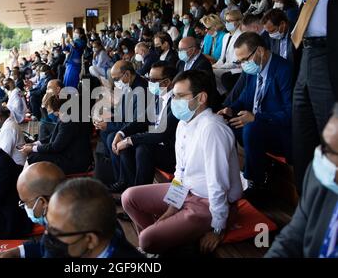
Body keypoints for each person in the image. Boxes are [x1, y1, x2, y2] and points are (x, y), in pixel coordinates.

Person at [122, 70, 242, 254]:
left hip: (209, 204)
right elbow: (180, 171)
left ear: (201, 97)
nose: (174, 101)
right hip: (187, 193)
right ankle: (160, 239)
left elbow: (218, 184)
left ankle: (156, 241)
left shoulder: (212, 129)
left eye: (180, 96)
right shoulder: (184, 124)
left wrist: (218, 228)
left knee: (146, 240)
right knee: (129, 198)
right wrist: (172, 207)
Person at [218, 32, 293, 200]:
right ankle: (227, 176)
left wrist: (257, 118)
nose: (243, 65)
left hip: (280, 131)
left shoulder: (284, 70)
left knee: (251, 128)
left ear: (260, 51)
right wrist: (229, 110)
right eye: (240, 61)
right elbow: (244, 99)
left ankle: (256, 183)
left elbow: (291, 113)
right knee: (225, 124)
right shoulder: (253, 71)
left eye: (245, 59)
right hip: (257, 128)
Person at [0, 178, 143, 258]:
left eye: (55, 232)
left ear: (90, 240)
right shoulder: (83, 237)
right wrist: (17, 252)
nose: (47, 236)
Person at [266, 104, 338, 258]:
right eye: (325, 146)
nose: (322, 158)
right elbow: (292, 238)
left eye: (332, 152)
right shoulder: (319, 177)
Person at [291, 0, 338, 192]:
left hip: (328, 56)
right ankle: (307, 203)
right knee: (302, 138)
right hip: (306, 54)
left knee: (329, 140)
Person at [109, 62, 179, 191]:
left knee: (143, 148)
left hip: (172, 153)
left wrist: (130, 140)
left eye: (153, 80)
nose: (149, 83)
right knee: (125, 142)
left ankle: (139, 194)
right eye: (148, 78)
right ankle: (128, 188)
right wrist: (121, 133)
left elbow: (161, 134)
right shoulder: (158, 97)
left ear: (167, 82)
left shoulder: (176, 102)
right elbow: (142, 119)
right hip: (158, 145)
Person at [0, 162, 66, 258]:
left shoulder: (62, 238)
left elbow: (49, 247)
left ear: (42, 202)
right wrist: (16, 251)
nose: (25, 207)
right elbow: (44, 245)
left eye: (25, 202)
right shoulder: (58, 217)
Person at [22, 95, 93, 175]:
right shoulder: (67, 116)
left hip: (75, 162)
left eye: (50, 109)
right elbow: (52, 136)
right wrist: (35, 144)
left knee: (33, 156)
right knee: (34, 154)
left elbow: (56, 147)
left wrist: (33, 148)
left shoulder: (68, 121)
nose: (48, 112)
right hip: (70, 154)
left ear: (58, 109)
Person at [213, 10, 244, 95]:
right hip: (225, 66)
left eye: (230, 21)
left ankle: (225, 95)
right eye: (226, 21)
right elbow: (221, 58)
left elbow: (236, 62)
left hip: (236, 68)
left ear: (239, 21)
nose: (227, 23)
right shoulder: (226, 36)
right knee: (208, 71)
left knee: (212, 73)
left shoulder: (242, 35)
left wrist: (219, 67)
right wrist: (214, 66)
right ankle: (223, 95)